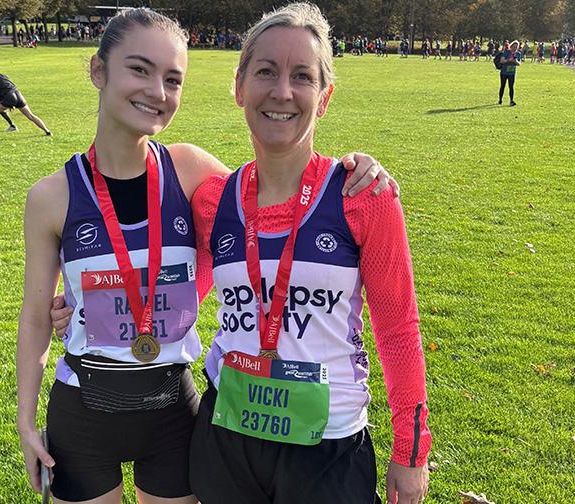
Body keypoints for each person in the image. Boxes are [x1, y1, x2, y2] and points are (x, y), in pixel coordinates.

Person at [18, 8, 396, 504]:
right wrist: (25, 418)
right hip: (84, 408)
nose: (156, 91)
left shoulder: (193, 171)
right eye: (139, 69)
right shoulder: (51, 196)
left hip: (173, 411)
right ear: (98, 70)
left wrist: (355, 170)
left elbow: (271, 204)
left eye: (172, 79)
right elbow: (34, 316)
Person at [183, 4, 430, 504]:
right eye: (266, 72)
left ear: (325, 97)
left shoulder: (363, 197)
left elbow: (398, 328)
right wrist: (75, 305)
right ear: (239, 86)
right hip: (228, 433)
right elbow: (184, 297)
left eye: (302, 76)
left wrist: (411, 451)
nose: (282, 92)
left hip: (327, 444)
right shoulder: (213, 201)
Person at [0, 70, 51, 140]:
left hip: (9, 97)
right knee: (31, 115)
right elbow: (7, 86)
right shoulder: (1, 75)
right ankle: (47, 131)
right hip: (18, 95)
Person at [499, 40, 521, 106]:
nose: (515, 48)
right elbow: (501, 61)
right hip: (504, 72)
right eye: (514, 47)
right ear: (511, 46)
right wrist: (508, 60)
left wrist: (515, 61)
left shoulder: (518, 54)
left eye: (516, 47)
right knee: (502, 86)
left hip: (512, 73)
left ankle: (511, 101)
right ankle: (500, 99)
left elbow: (519, 64)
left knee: (511, 87)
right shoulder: (506, 52)